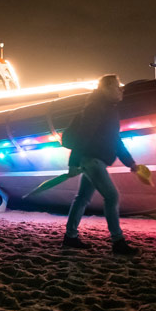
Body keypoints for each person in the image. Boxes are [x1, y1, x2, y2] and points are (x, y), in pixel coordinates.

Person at [61, 74, 140, 256]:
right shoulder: (96, 108)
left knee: (82, 198)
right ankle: (118, 242)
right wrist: (73, 162)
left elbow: (115, 139)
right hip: (91, 159)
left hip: (95, 159)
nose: (121, 90)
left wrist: (131, 162)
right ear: (106, 89)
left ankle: (70, 237)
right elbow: (84, 135)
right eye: (117, 87)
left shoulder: (108, 109)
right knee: (112, 196)